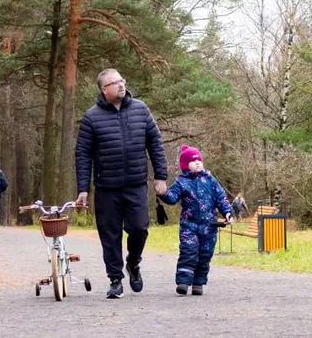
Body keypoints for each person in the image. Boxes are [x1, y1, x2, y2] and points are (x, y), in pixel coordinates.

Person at [75, 68, 168, 299]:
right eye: (115, 83)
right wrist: (83, 189)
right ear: (104, 89)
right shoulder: (91, 117)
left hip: (136, 184)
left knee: (139, 228)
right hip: (106, 187)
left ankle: (133, 264)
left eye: (121, 80)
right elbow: (83, 155)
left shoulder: (141, 109)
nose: (121, 85)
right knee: (110, 235)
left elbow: (155, 143)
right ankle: (115, 279)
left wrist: (161, 176)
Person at [159, 145, 233, 296]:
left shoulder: (210, 180)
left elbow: (221, 198)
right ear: (186, 165)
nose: (198, 162)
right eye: (194, 161)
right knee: (188, 252)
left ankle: (198, 282)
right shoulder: (182, 182)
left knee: (205, 254)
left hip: (209, 226)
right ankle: (183, 282)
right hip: (189, 226)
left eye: (199, 160)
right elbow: (172, 197)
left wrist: (227, 212)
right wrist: (163, 193)